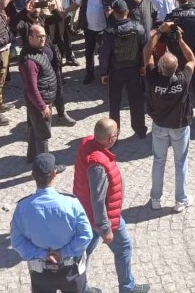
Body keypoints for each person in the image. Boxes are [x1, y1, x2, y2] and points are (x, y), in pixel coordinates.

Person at [74, 118, 151, 293]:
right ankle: (127, 288)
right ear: (111, 139)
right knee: (123, 247)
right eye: (116, 134)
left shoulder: (86, 143)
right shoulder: (98, 165)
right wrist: (105, 228)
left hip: (86, 213)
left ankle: (81, 289)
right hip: (104, 217)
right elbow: (98, 199)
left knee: (82, 253)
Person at [11, 153, 94, 293]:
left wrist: (43, 254)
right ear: (55, 174)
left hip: (41, 272)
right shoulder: (71, 203)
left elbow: (17, 242)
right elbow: (86, 235)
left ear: (32, 176)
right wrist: (63, 252)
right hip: (70, 270)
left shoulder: (22, 207)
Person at [144, 21, 195, 211]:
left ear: (159, 67)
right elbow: (191, 58)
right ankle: (180, 200)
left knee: (158, 162)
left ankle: (156, 199)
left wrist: (159, 32)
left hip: (159, 125)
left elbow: (146, 54)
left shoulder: (153, 77)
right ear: (176, 68)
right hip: (180, 126)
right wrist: (180, 40)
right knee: (180, 162)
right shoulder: (183, 79)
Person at [98, 0, 148, 139]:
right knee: (136, 101)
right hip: (134, 70)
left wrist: (103, 73)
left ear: (114, 13)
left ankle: (113, 135)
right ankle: (140, 129)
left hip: (116, 71)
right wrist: (143, 65)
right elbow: (144, 49)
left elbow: (104, 54)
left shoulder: (109, 32)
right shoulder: (138, 27)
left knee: (114, 104)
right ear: (127, 12)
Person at [20, 22, 61, 163]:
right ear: (30, 38)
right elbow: (31, 87)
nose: (43, 39)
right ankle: (46, 167)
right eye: (39, 37)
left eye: (44, 36)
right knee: (43, 134)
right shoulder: (30, 62)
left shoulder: (39, 51)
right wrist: (42, 106)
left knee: (34, 129)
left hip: (43, 98)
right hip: (40, 102)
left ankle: (32, 158)